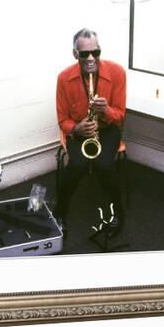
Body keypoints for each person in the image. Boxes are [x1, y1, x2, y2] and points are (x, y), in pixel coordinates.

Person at [54, 28, 126, 236]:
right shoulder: (64, 78)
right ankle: (60, 213)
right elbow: (63, 119)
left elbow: (120, 116)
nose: (91, 58)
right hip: (80, 130)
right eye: (85, 54)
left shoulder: (117, 72)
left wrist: (106, 111)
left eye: (96, 52)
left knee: (105, 165)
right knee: (76, 165)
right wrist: (76, 128)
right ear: (75, 54)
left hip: (106, 128)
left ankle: (118, 215)